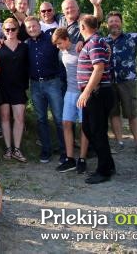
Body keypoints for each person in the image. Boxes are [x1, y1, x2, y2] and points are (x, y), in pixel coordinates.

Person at [105, 5, 137, 156]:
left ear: (121, 23)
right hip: (109, 82)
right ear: (107, 24)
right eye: (111, 21)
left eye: (116, 21)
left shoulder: (131, 38)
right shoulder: (103, 40)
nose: (114, 23)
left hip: (127, 82)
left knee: (132, 114)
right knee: (114, 114)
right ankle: (119, 143)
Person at [77, 15, 115, 184]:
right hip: (96, 93)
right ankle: (108, 164)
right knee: (90, 128)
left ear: (83, 27)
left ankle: (104, 171)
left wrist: (86, 92)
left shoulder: (94, 42)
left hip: (97, 93)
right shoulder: (97, 42)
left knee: (96, 131)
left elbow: (98, 69)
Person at [24, 16, 65, 164]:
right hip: (35, 85)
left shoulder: (51, 39)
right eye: (29, 27)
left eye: (34, 26)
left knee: (59, 118)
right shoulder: (26, 44)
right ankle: (46, 150)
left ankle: (65, 151)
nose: (32, 29)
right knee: (41, 119)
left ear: (39, 26)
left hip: (53, 82)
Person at [52, 28, 89, 173]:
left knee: (84, 125)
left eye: (60, 43)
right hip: (70, 92)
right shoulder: (61, 53)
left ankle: (82, 159)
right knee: (66, 123)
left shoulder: (80, 48)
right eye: (56, 44)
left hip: (83, 92)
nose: (58, 46)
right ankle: (70, 159)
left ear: (67, 39)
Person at [0, 18, 29, 163]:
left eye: (13, 29)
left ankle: (17, 148)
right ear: (3, 31)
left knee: (19, 117)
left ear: (17, 30)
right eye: (7, 30)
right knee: (4, 117)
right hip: (2, 86)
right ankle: (8, 148)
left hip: (19, 87)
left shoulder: (24, 47)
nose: (10, 32)